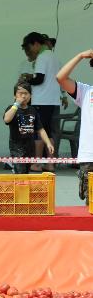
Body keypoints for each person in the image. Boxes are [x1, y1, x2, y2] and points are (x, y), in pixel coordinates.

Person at [56, 49, 93, 203]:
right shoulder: (86, 91)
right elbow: (60, 77)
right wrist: (79, 56)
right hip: (89, 155)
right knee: (90, 203)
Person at [20, 32, 61, 172]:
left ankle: (37, 163)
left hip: (41, 100)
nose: (29, 51)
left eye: (29, 48)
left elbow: (39, 79)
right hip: (53, 100)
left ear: (36, 44)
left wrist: (26, 78)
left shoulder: (42, 57)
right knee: (49, 132)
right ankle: (50, 164)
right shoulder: (55, 57)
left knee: (38, 132)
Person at [3, 82, 54, 174]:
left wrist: (48, 143)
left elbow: (40, 129)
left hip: (30, 146)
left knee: (26, 171)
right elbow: (7, 119)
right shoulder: (12, 108)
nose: (23, 96)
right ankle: (19, 186)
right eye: (20, 93)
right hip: (16, 147)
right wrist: (16, 104)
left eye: (26, 93)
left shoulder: (32, 110)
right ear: (14, 96)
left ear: (30, 96)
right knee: (20, 172)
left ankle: (23, 187)